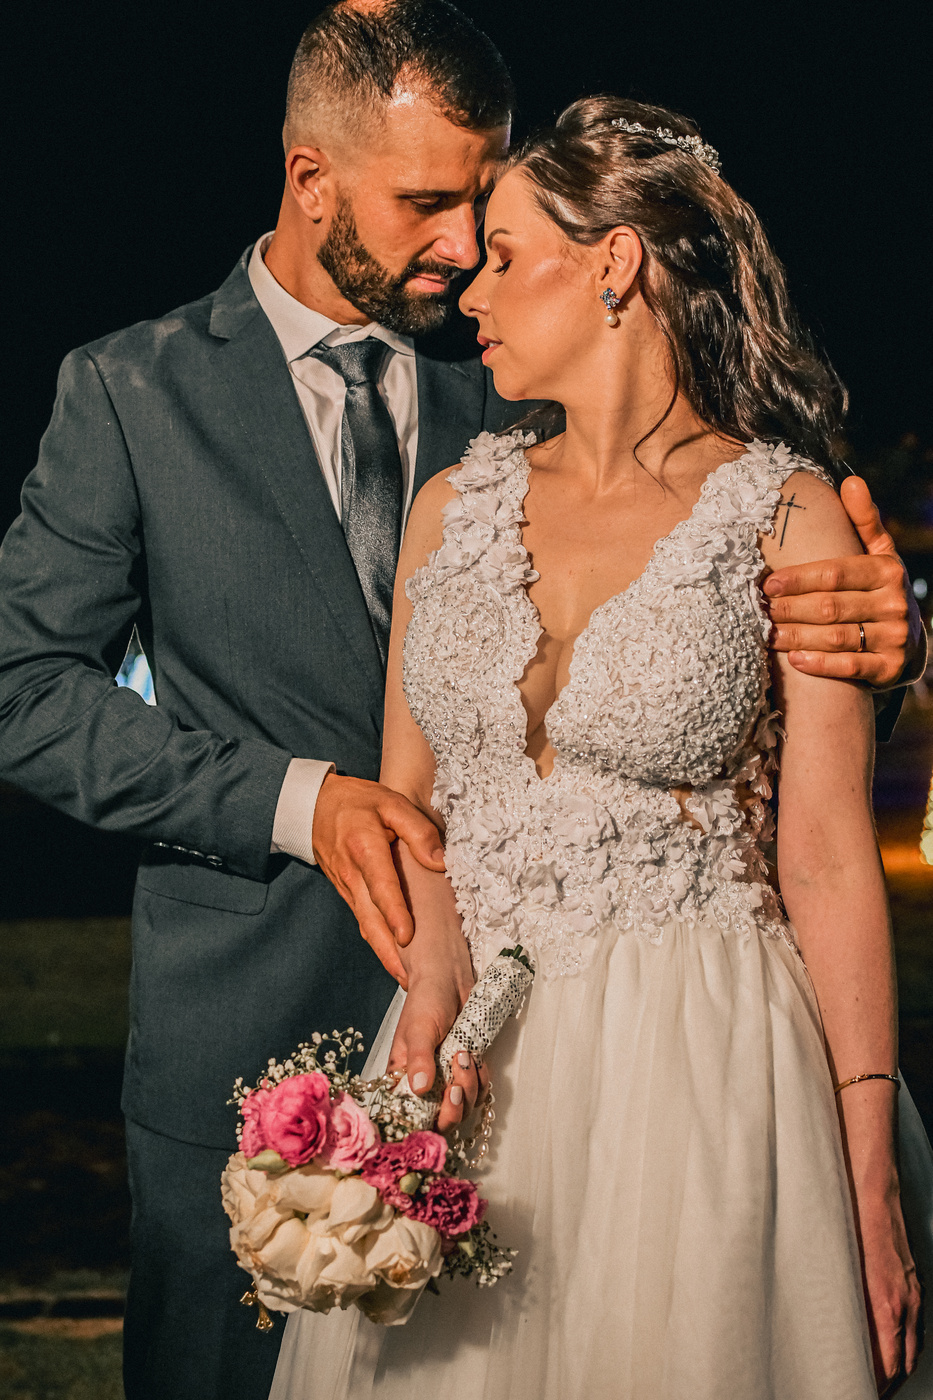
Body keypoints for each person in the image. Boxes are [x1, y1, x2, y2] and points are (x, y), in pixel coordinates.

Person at [0, 2, 920, 1394]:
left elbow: (733, 664)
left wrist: (873, 646)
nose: (459, 251)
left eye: (484, 211)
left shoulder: (523, 369)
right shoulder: (130, 392)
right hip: (260, 1036)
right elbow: (25, 692)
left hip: (622, 1063)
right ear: (312, 178)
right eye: (428, 205)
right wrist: (305, 804)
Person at [270, 98, 933, 1400]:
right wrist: (430, 987)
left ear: (615, 264)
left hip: (703, 1059)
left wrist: (867, 1176)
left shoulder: (784, 517)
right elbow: (414, 814)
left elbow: (825, 860)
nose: (471, 292)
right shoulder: (449, 512)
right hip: (481, 1070)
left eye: (507, 256)